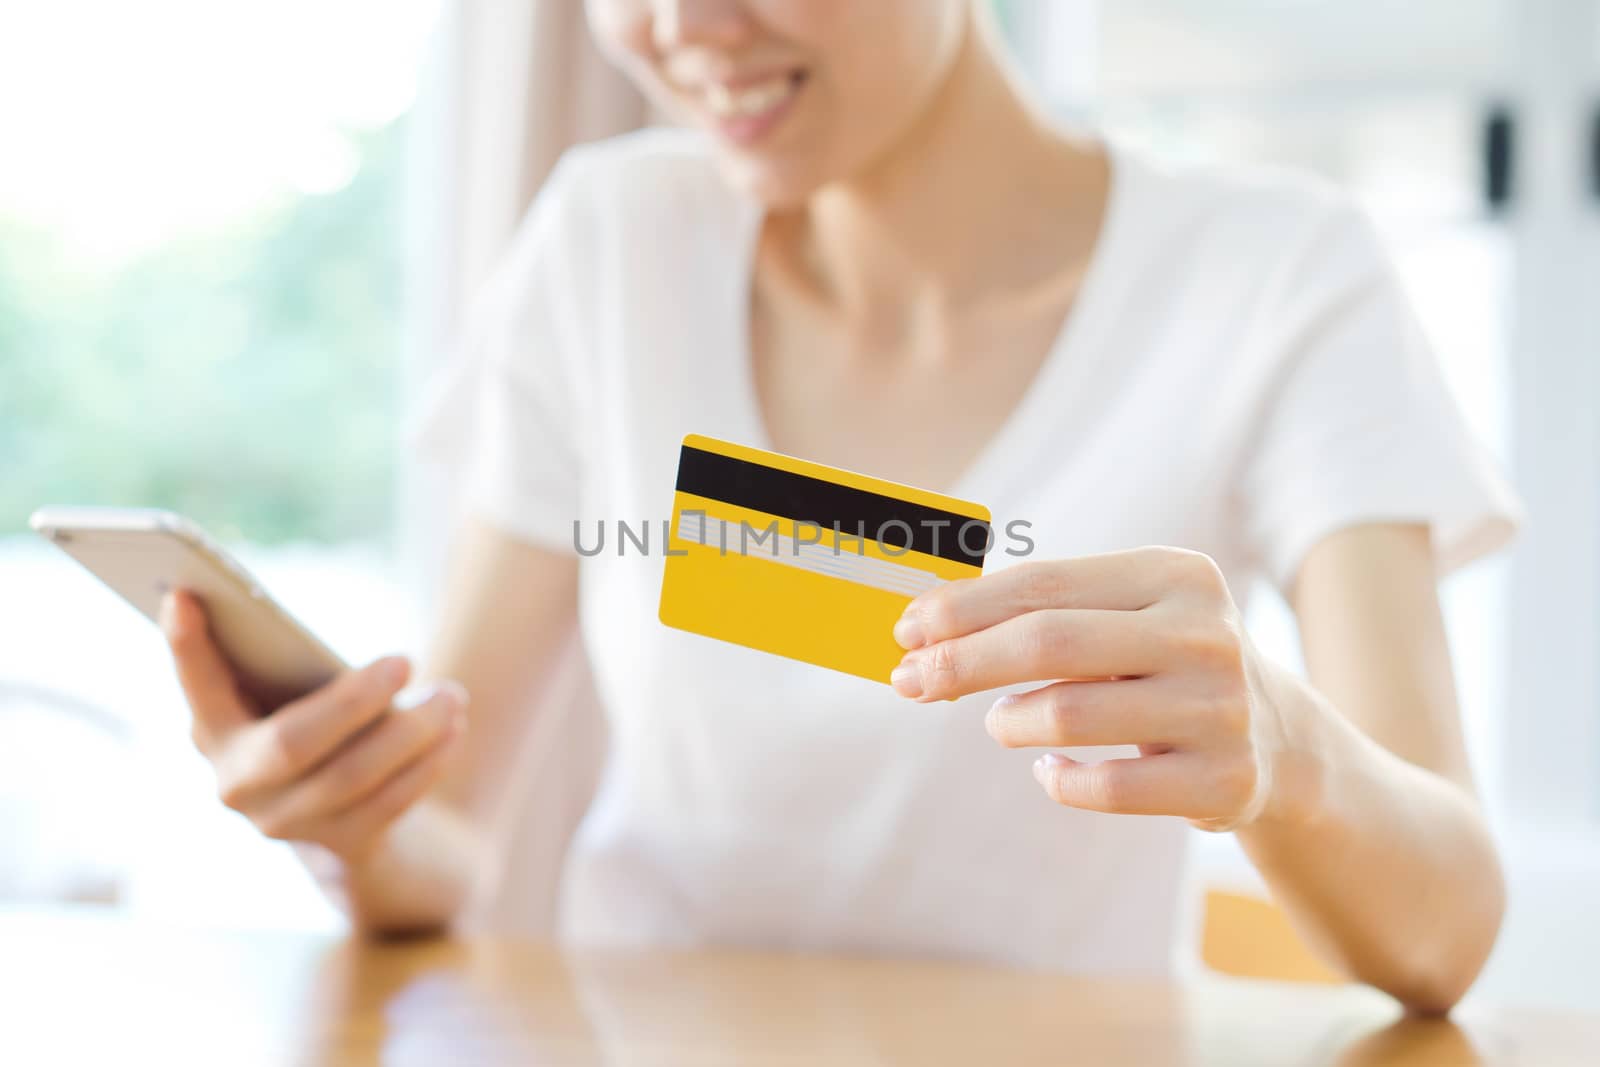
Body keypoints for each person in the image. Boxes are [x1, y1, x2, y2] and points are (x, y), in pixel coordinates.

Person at [160, 0, 1520, 1014]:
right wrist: (349, 818)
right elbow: (446, 838)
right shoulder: (613, 243)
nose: (680, 29)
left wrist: (1279, 745)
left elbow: (1446, 924)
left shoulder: (1276, 276)